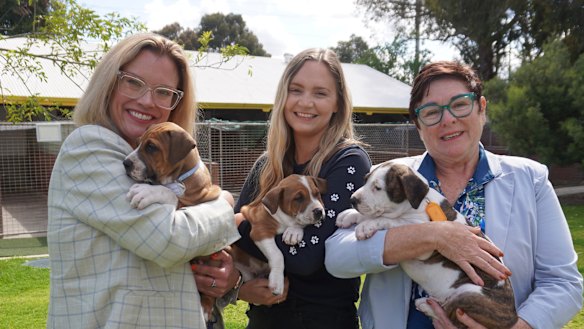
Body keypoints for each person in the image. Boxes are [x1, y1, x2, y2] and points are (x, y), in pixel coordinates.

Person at [325, 60, 583, 329]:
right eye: (431, 111)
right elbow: (336, 258)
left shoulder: (530, 179)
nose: (448, 119)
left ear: (481, 108)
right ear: (417, 124)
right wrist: (432, 236)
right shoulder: (388, 178)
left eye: (460, 104)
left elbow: (564, 283)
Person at [46, 32, 241, 329]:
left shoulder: (158, 168)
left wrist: (221, 280)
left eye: (164, 92)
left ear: (176, 103)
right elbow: (167, 241)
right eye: (133, 82)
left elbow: (179, 261)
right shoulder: (89, 148)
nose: (147, 100)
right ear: (109, 83)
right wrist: (224, 205)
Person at [232, 48, 371, 329]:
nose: (306, 102)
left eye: (320, 93)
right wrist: (239, 288)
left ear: (337, 104)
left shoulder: (348, 161)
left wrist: (250, 223)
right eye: (296, 90)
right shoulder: (267, 165)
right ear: (284, 97)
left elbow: (308, 257)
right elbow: (227, 241)